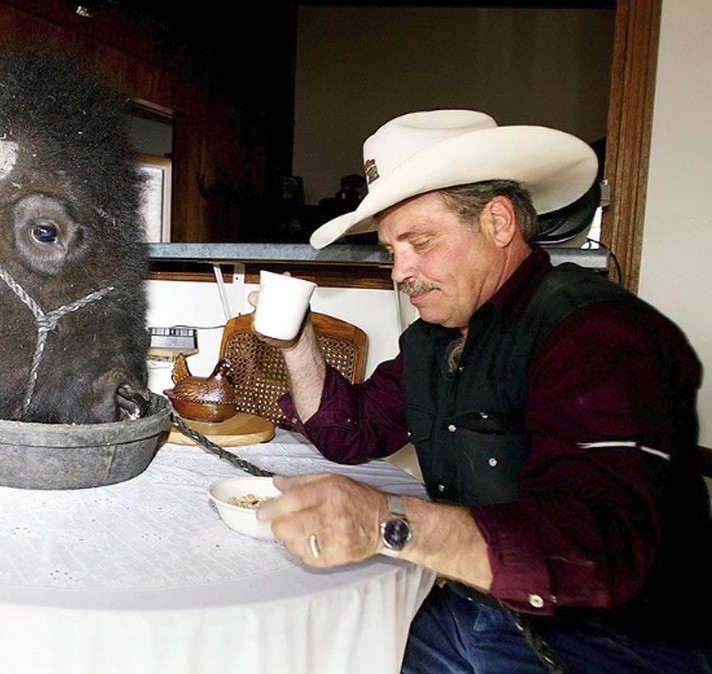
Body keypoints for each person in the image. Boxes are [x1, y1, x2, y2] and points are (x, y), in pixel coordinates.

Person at [253, 109, 712, 673]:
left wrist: (388, 522)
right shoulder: (433, 339)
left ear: (498, 223)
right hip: (469, 605)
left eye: (419, 242)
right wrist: (296, 341)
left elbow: (598, 550)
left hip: (606, 642)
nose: (400, 272)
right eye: (391, 249)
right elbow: (351, 434)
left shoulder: (594, 332)